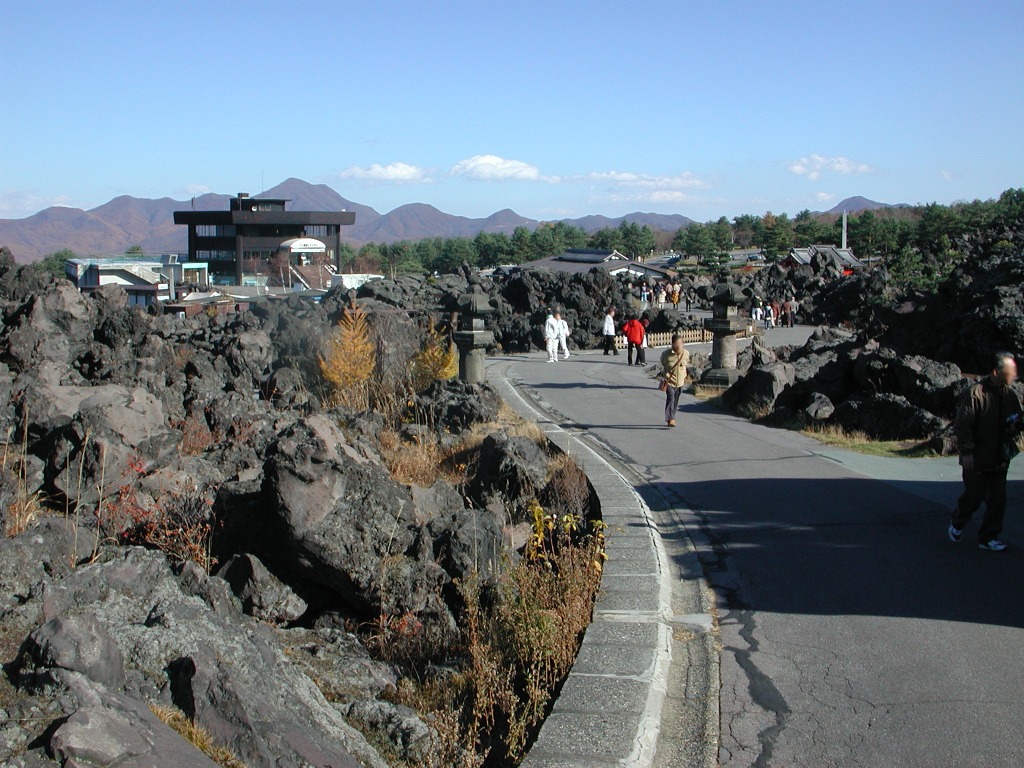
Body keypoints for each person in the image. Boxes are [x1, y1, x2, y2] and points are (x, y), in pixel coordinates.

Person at [949, 352, 1023, 550]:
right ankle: (958, 521)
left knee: (998, 498)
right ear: (996, 372)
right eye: (1010, 370)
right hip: (977, 457)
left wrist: (1015, 425)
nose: (1014, 374)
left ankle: (988, 538)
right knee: (975, 495)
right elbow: (963, 426)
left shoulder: (1010, 394)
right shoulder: (976, 393)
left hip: (1000, 456)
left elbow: (1018, 420)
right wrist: (966, 453)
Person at [659, 335, 690, 428]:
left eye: (680, 344)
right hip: (669, 382)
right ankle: (670, 419)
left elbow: (686, 364)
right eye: (677, 344)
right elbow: (663, 363)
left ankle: (672, 416)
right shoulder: (665, 354)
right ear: (673, 344)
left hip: (680, 382)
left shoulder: (686, 353)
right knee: (671, 398)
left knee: (675, 400)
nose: (679, 346)